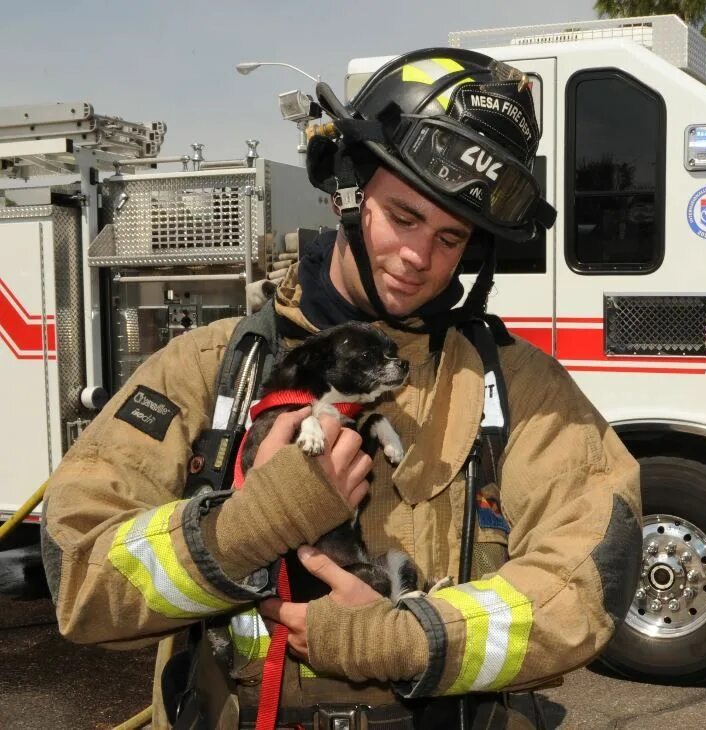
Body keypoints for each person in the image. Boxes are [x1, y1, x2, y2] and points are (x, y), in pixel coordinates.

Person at [41, 48, 641, 730]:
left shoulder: (520, 387)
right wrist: (249, 523)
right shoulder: (213, 368)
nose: (421, 259)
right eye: (404, 218)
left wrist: (401, 637)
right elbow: (79, 576)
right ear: (348, 194)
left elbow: (590, 580)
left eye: (452, 237)